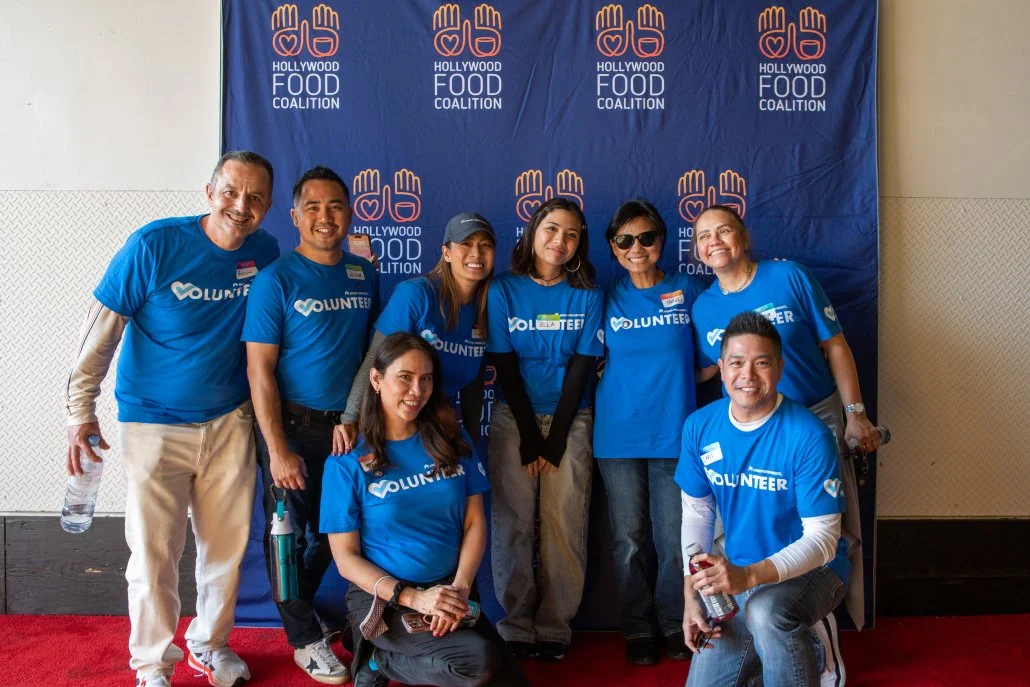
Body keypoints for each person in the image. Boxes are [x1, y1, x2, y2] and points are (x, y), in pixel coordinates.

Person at [64, 151, 280, 687]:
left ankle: (209, 645)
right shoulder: (153, 245)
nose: (241, 206)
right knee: (154, 554)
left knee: (226, 552)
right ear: (209, 193)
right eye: (230, 192)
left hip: (229, 422)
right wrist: (78, 412)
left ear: (269, 206)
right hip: (152, 424)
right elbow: (99, 336)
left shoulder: (268, 252)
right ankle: (153, 664)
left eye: (254, 197)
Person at [690, 204, 877, 631]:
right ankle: (763, 626)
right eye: (704, 236)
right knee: (758, 527)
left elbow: (835, 345)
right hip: (750, 433)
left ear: (743, 238)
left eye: (723, 231)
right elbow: (708, 368)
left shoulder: (788, 276)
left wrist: (855, 415)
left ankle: (824, 630)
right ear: (698, 251)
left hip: (814, 419)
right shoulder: (704, 308)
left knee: (827, 530)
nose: (714, 241)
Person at [321, 332, 528, 687]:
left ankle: (388, 655)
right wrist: (414, 597)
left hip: (450, 590)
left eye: (426, 379)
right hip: (387, 599)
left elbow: (475, 521)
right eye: (405, 377)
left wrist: (460, 589)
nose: (417, 391)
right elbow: (346, 559)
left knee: (505, 679)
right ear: (376, 379)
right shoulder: (348, 459)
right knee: (475, 663)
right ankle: (378, 660)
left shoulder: (451, 440)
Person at [242, 165, 378, 684]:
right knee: (285, 536)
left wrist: (357, 420)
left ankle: (302, 615)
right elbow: (259, 369)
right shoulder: (276, 279)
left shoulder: (364, 274)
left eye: (336, 206)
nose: (326, 217)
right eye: (314, 208)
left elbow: (371, 357)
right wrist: (276, 447)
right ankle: (303, 639)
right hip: (290, 427)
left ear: (349, 213)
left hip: (345, 431)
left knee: (332, 532)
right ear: (295, 215)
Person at [676, 311, 849, 687]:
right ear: (721, 369)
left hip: (815, 571)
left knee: (767, 610)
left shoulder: (809, 435)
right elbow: (698, 511)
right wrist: (693, 593)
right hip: (739, 572)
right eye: (736, 363)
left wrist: (748, 576)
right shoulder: (700, 426)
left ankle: (818, 650)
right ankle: (772, 662)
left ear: (780, 368)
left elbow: (823, 541)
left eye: (762, 363)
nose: (748, 376)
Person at [486, 198, 604, 661]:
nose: (560, 241)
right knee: (512, 520)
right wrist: (532, 439)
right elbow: (505, 364)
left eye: (571, 234)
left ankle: (554, 625)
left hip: (572, 419)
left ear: (580, 244)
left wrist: (554, 441)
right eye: (552, 229)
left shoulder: (589, 292)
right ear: (533, 232)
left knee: (564, 522)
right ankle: (516, 622)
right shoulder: (503, 290)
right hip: (514, 417)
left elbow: (582, 365)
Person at [593, 200, 706, 665]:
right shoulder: (604, 297)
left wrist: (680, 378)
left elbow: (721, 352)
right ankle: (638, 628)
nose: (636, 248)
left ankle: (675, 622)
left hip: (674, 436)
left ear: (661, 241)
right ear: (613, 247)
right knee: (630, 540)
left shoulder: (690, 289)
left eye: (646, 238)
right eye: (624, 240)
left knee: (675, 537)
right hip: (617, 438)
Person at [339, 212, 495, 451]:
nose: (476, 253)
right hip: (395, 424)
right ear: (446, 253)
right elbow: (376, 359)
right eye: (466, 244)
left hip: (440, 428)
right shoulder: (417, 294)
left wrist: (471, 441)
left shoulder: (488, 305)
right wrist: (350, 419)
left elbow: (473, 385)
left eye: (485, 245)